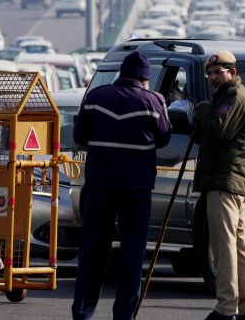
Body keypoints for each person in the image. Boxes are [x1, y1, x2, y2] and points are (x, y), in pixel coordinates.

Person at [71, 50, 171, 320]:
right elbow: (163, 138)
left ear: (122, 73)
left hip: (100, 185)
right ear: (145, 79)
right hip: (136, 189)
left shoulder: (95, 97)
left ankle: (83, 312)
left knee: (93, 250)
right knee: (132, 254)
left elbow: (80, 135)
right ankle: (124, 316)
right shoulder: (153, 101)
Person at [194, 51, 245, 320]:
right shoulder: (226, 96)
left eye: (218, 72)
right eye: (209, 73)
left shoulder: (234, 96)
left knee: (225, 247)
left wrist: (201, 110)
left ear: (232, 72)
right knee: (240, 246)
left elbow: (219, 130)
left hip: (226, 181)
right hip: (232, 180)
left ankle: (226, 308)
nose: (213, 77)